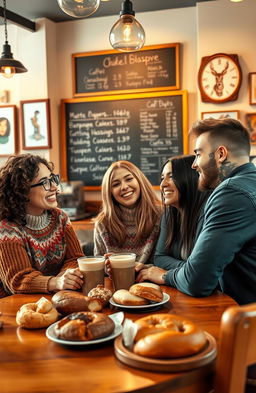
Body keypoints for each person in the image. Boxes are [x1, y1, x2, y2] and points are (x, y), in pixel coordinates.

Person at [137, 118, 256, 306]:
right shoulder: (249, 183)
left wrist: (166, 276)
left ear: (221, 154)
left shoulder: (230, 193)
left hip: (245, 320)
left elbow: (196, 281)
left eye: (198, 154)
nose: (194, 165)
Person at [0, 154, 84, 298]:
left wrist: (65, 279)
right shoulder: (7, 229)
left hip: (56, 298)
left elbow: (75, 259)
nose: (54, 187)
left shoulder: (60, 218)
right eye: (45, 182)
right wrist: (56, 283)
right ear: (22, 191)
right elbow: (18, 280)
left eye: (53, 179)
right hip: (14, 306)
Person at [136, 155, 210, 280]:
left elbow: (202, 271)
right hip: (184, 285)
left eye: (172, 176)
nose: (163, 184)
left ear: (191, 177)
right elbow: (159, 257)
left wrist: (175, 271)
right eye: (162, 178)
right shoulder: (169, 214)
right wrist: (187, 268)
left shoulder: (208, 214)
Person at [94, 160, 161, 264]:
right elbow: (99, 267)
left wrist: (145, 269)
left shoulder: (161, 215)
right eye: (116, 184)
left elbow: (166, 261)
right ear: (109, 192)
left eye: (129, 179)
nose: (124, 187)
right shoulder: (102, 224)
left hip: (152, 279)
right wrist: (108, 268)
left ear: (139, 181)